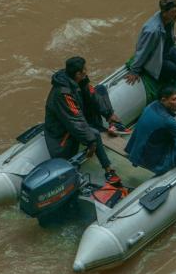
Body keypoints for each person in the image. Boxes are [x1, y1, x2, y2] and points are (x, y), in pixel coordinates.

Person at [44, 57, 122, 185]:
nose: (87, 71)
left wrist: (109, 113)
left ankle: (109, 124)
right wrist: (90, 141)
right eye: (84, 69)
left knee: (100, 89)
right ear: (77, 74)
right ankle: (108, 169)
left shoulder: (79, 80)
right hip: (62, 130)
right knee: (94, 135)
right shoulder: (63, 94)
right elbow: (74, 120)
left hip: (76, 116)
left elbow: (92, 95)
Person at [124, 0, 176, 114]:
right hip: (158, 57)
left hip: (169, 49)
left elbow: (168, 33)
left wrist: (173, 39)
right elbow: (142, 50)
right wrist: (135, 70)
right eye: (174, 12)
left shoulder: (170, 18)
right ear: (164, 13)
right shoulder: (152, 30)